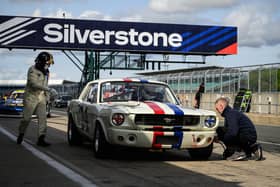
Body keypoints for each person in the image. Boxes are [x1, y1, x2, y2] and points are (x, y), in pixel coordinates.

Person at [17, 52, 56, 147]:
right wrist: (48, 89)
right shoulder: (32, 70)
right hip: (31, 96)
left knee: (43, 118)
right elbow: (33, 84)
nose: (49, 65)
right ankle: (21, 133)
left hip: (41, 97)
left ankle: (41, 138)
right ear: (43, 62)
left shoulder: (46, 72)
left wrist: (47, 97)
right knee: (26, 118)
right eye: (48, 63)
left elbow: (45, 84)